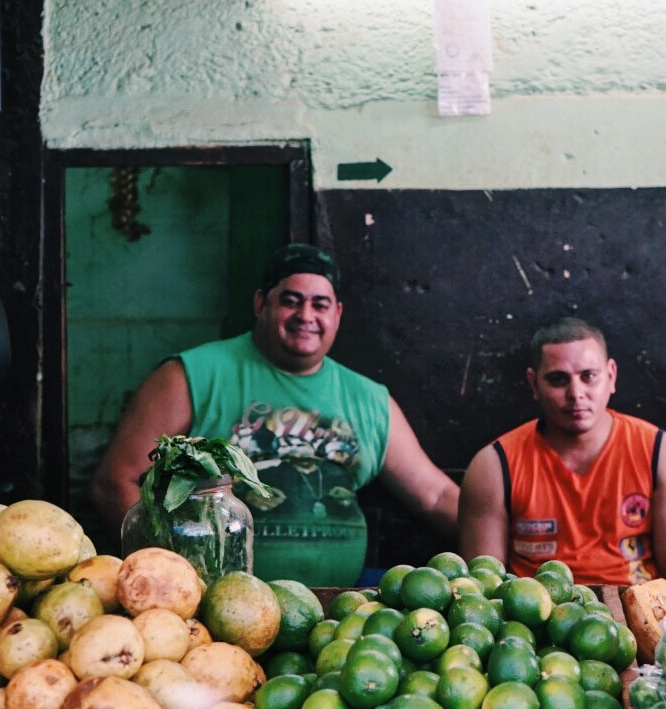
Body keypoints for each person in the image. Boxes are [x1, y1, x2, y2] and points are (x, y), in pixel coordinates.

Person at [92, 242, 459, 586]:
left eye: (320, 304)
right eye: (291, 301)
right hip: (216, 605)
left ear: (337, 313)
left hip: (337, 612)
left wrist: (502, 542)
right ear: (260, 303)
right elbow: (115, 481)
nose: (306, 315)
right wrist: (171, 577)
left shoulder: (368, 399)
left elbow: (436, 495)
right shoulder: (192, 375)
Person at [459, 317, 666, 585]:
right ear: (534, 384)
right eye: (558, 379)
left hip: (638, 615)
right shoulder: (494, 466)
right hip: (537, 620)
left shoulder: (663, 453)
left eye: (588, 376)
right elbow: (483, 587)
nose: (576, 393)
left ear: (611, 376)